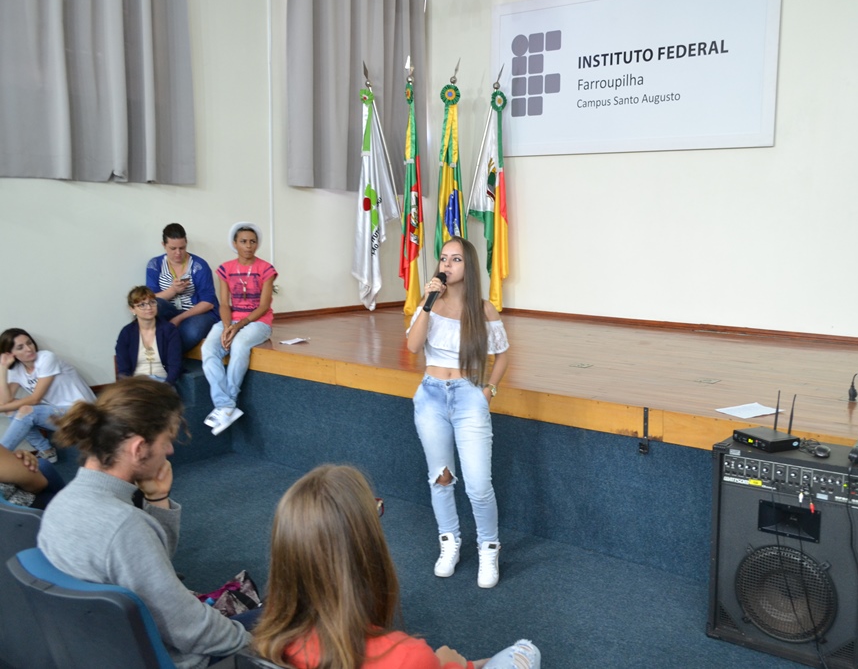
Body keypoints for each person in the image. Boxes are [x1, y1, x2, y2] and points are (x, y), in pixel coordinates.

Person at [37, 377, 252, 669]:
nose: (170, 451)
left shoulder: (62, 503)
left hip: (103, 650)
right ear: (138, 448)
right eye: (167, 440)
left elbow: (151, 565)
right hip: (166, 657)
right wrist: (257, 646)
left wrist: (158, 499)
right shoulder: (124, 526)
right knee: (289, 623)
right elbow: (189, 629)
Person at [251, 464, 539, 669]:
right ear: (362, 547)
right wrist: (450, 665)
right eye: (375, 511)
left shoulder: (267, 637)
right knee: (525, 651)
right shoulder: (408, 656)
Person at [406, 237, 510, 589]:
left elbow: (502, 356)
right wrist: (426, 304)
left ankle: (488, 547)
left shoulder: (483, 309)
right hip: (431, 396)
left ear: (469, 267)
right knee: (441, 477)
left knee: (479, 485)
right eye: (443, 258)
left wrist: (488, 391)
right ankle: (449, 542)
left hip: (468, 396)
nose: (447, 265)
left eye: (456, 260)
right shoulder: (430, 303)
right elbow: (413, 346)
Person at [201, 221, 276, 435]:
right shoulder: (226, 269)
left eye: (252, 242)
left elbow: (264, 306)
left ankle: (228, 404)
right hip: (231, 320)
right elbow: (224, 304)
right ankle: (224, 404)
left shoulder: (266, 269)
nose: (248, 246)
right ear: (235, 243)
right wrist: (227, 327)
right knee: (208, 349)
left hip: (258, 322)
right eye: (243, 241)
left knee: (240, 344)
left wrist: (239, 327)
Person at [1, 328, 96, 463]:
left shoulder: (46, 358)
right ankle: (46, 451)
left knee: (26, 410)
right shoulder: (17, 369)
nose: (28, 349)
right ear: (10, 353)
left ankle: (2, 455)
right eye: (20, 347)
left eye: (29, 343)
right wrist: (3, 368)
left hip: (84, 412)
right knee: (11, 409)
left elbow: (35, 399)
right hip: (59, 414)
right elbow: (5, 401)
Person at [146, 223, 220, 354]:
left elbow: (208, 302)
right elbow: (150, 299)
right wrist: (172, 291)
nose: (178, 253)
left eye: (182, 248)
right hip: (169, 310)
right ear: (164, 245)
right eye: (173, 248)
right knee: (150, 307)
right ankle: (157, 354)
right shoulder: (155, 264)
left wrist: (179, 319)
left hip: (196, 313)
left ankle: (165, 357)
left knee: (193, 330)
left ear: (186, 244)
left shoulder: (199, 265)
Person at [116, 286, 184, 385]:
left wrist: (167, 385)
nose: (149, 307)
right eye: (142, 305)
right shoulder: (126, 333)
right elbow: (123, 369)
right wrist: (129, 388)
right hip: (136, 384)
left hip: (163, 383)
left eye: (152, 302)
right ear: (132, 309)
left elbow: (175, 365)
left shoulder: (169, 330)